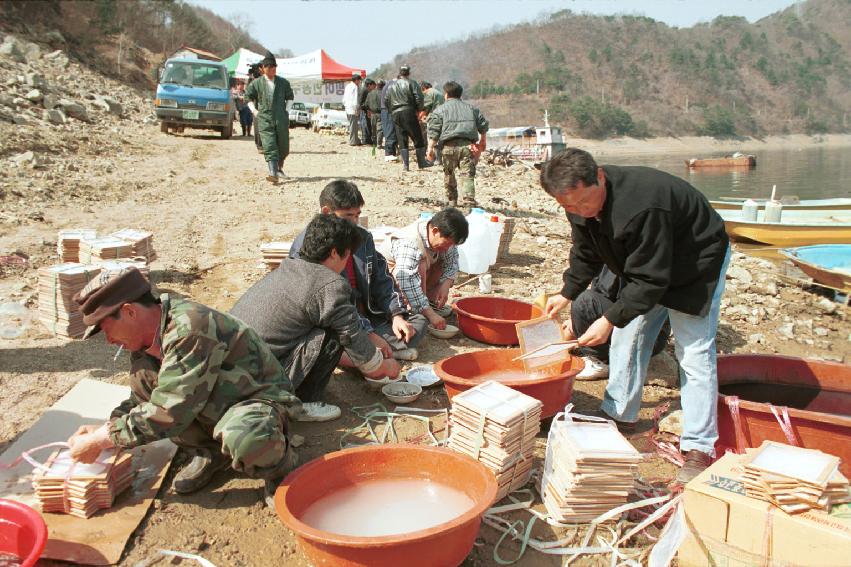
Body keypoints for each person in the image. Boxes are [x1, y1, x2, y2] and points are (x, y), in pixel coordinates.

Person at [540, 148, 730, 483]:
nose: (580, 212)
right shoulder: (578, 204)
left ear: (599, 177)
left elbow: (651, 280)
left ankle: (700, 446)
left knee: (694, 351)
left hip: (695, 260)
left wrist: (609, 318)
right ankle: (619, 414)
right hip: (648, 263)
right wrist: (567, 291)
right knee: (629, 336)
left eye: (584, 203)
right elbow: (585, 250)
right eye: (569, 207)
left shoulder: (643, 206)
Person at [66, 267, 299, 507]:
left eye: (106, 329)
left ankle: (280, 468)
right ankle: (213, 454)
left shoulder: (190, 328)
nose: (109, 340)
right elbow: (141, 402)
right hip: (214, 405)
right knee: (151, 388)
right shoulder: (145, 343)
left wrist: (105, 438)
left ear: (129, 312)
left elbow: (170, 410)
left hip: (257, 401)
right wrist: (106, 427)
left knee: (246, 438)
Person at [231, 214, 402, 422]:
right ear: (333, 253)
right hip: (259, 382)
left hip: (232, 368)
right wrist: (383, 367)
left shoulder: (290, 266)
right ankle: (302, 402)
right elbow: (352, 337)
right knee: (332, 332)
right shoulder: (330, 285)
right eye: (347, 256)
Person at [289, 180, 428, 361]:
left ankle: (371, 353)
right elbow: (331, 304)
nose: (354, 222)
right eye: (348, 216)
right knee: (325, 342)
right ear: (326, 212)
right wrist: (367, 333)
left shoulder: (363, 238)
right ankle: (366, 355)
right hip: (336, 321)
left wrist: (396, 315)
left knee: (417, 323)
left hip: (366, 315)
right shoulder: (310, 246)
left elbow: (382, 279)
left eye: (357, 215)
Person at [566, 265, 672, 380]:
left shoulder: (638, 263)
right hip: (622, 317)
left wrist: (605, 321)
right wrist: (577, 319)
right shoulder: (608, 257)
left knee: (584, 301)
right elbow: (599, 291)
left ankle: (600, 360)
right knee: (583, 303)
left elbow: (631, 304)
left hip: (648, 333)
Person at [378, 208, 468, 331]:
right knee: (420, 264)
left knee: (442, 258)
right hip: (389, 283)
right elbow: (406, 280)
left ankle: (429, 303)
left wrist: (446, 285)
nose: (448, 248)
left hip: (414, 279)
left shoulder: (443, 237)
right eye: (447, 243)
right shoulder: (409, 242)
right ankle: (413, 309)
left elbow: (452, 262)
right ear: (435, 231)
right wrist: (431, 315)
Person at [426, 81, 489, 208]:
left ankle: (452, 201)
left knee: (449, 174)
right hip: (468, 147)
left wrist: (430, 148)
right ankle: (469, 200)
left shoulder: (439, 110)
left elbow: (434, 132)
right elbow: (483, 125)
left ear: (446, 95)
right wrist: (483, 140)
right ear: (460, 95)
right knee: (468, 174)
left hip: (448, 147)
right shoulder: (472, 109)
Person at [245, 51, 294, 183]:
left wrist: (286, 111)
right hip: (265, 118)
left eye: (274, 67)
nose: (272, 69)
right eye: (269, 67)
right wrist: (255, 111)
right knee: (269, 143)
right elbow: (247, 97)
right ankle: (273, 173)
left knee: (283, 145)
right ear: (263, 68)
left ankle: (279, 168)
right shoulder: (257, 83)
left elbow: (290, 97)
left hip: (281, 118)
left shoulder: (283, 83)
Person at [384, 64, 430, 171]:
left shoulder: (391, 86)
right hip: (408, 111)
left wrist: (392, 111)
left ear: (400, 73)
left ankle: (406, 165)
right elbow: (418, 98)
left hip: (396, 113)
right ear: (409, 73)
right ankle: (422, 163)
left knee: (402, 137)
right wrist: (419, 109)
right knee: (417, 136)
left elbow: (386, 100)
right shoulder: (412, 83)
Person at [421, 81, 444, 164]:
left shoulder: (429, 93)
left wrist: (420, 117)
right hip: (442, 117)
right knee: (439, 138)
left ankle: (431, 159)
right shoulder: (439, 93)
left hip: (434, 118)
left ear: (423, 88)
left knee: (431, 138)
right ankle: (438, 159)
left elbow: (426, 107)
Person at [380, 77, 398, 162]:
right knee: (390, 131)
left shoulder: (389, 84)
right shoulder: (392, 85)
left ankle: (391, 153)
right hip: (388, 110)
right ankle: (389, 154)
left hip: (386, 109)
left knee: (390, 131)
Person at [343, 72, 362, 146]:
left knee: (353, 125)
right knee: (353, 126)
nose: (359, 82)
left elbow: (344, 99)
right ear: (356, 80)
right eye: (359, 81)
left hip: (348, 108)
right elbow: (355, 99)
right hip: (352, 109)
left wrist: (346, 106)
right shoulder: (355, 87)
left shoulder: (348, 86)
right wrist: (356, 109)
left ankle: (356, 140)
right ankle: (353, 141)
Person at [366, 80, 384, 151]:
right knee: (379, 129)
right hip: (381, 113)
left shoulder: (370, 93)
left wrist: (369, 111)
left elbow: (366, 104)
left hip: (372, 113)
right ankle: (379, 144)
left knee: (373, 128)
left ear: (377, 85)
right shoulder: (384, 93)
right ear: (383, 86)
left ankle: (374, 143)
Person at [358, 78, 374, 145]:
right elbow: (361, 102)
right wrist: (367, 108)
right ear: (369, 85)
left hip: (366, 110)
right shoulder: (364, 90)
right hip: (364, 111)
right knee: (365, 126)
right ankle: (365, 140)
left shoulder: (366, 90)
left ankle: (368, 139)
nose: (373, 87)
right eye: (372, 85)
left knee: (367, 125)